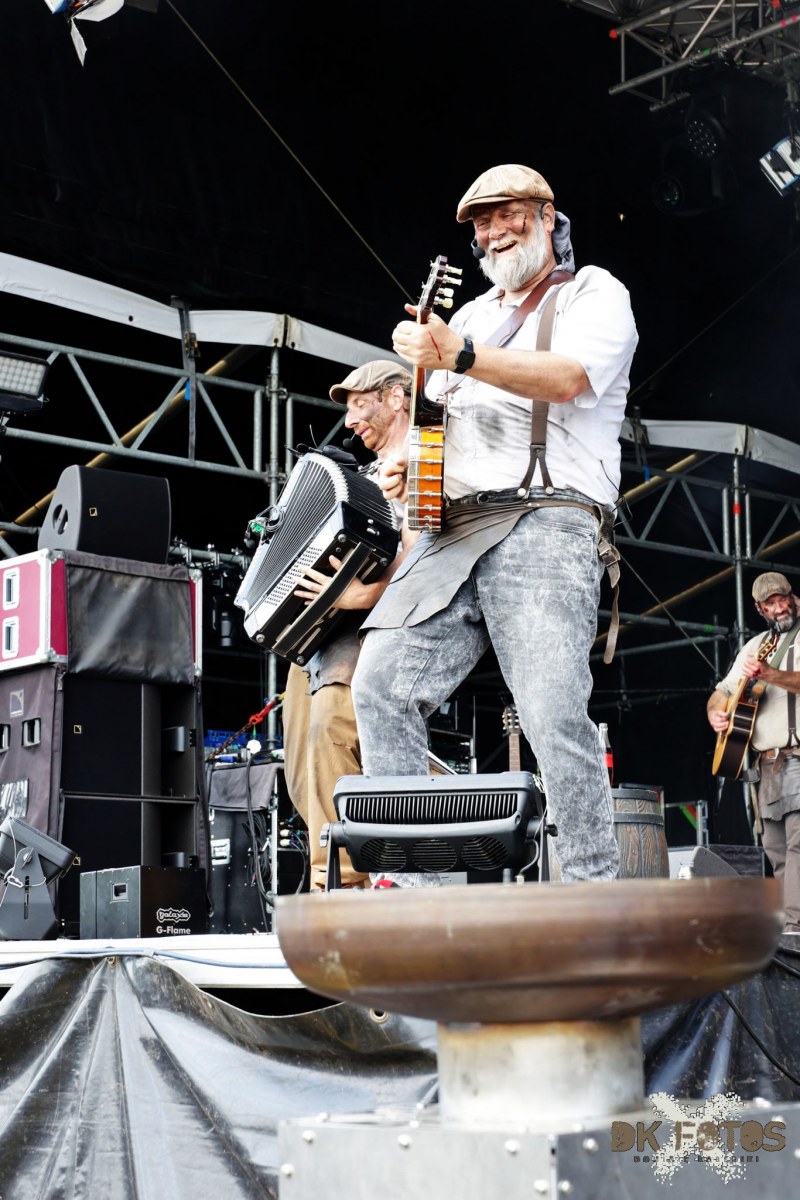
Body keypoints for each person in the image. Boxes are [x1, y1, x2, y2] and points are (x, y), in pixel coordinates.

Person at [350, 163, 639, 882]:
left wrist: (460, 354)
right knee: (378, 686)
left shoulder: (591, 292)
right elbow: (448, 423)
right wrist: (413, 465)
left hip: (548, 518)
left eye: (508, 214)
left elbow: (569, 378)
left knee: (551, 712)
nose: (494, 231)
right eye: (482, 222)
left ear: (546, 217)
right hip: (455, 529)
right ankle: (419, 893)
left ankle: (591, 893)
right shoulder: (471, 314)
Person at [281, 360, 416, 890]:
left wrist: (359, 595)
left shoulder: (426, 461)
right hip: (324, 636)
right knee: (300, 761)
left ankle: (341, 884)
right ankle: (341, 868)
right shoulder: (359, 479)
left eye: (361, 404)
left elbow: (426, 556)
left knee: (331, 732)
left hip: (375, 628)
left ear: (396, 397)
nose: (351, 420)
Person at [707, 572, 800, 932]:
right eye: (770, 604)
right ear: (760, 609)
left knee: (798, 845)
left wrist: (770, 674)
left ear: (793, 597)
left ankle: (794, 927)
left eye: (783, 599)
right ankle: (790, 928)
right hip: (768, 766)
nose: (779, 608)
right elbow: (723, 691)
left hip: (798, 756)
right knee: (775, 848)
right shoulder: (756, 645)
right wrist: (716, 712)